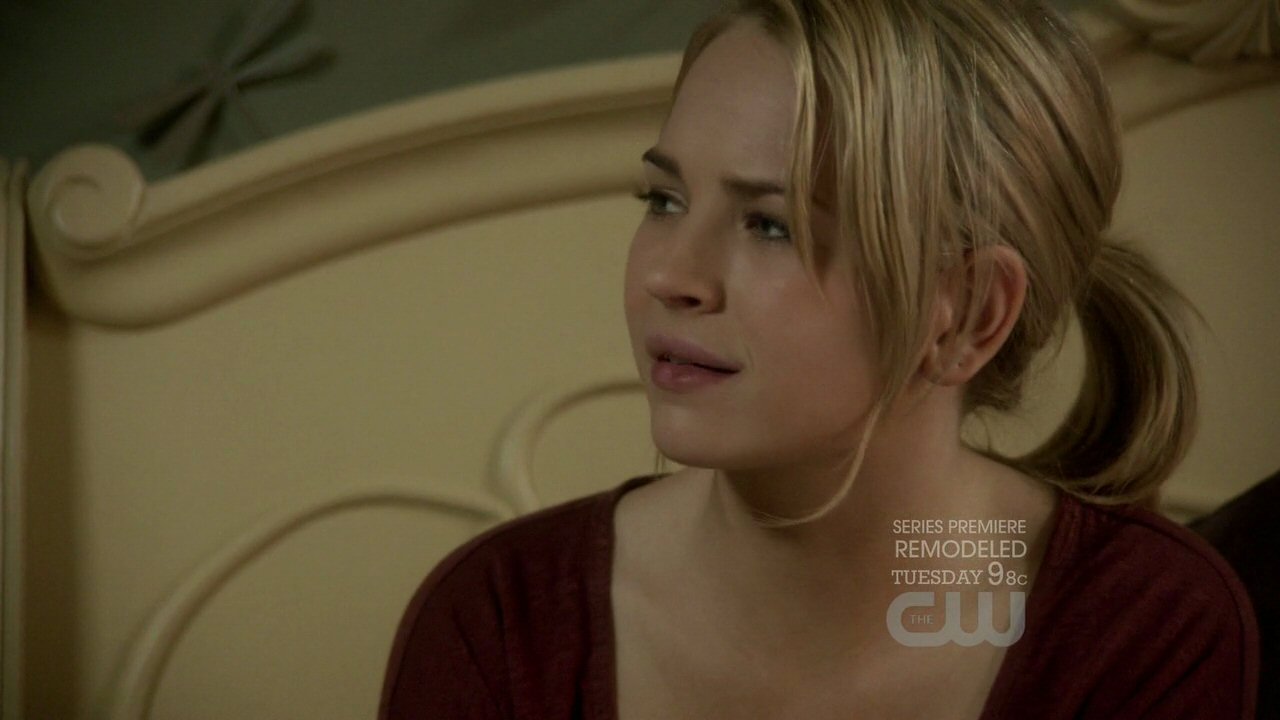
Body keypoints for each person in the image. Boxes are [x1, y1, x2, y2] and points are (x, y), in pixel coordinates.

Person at [380, 1, 1260, 717]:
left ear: (968, 312)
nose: (669, 276)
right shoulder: (499, 620)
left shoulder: (1142, 628)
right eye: (664, 199)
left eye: (772, 225)